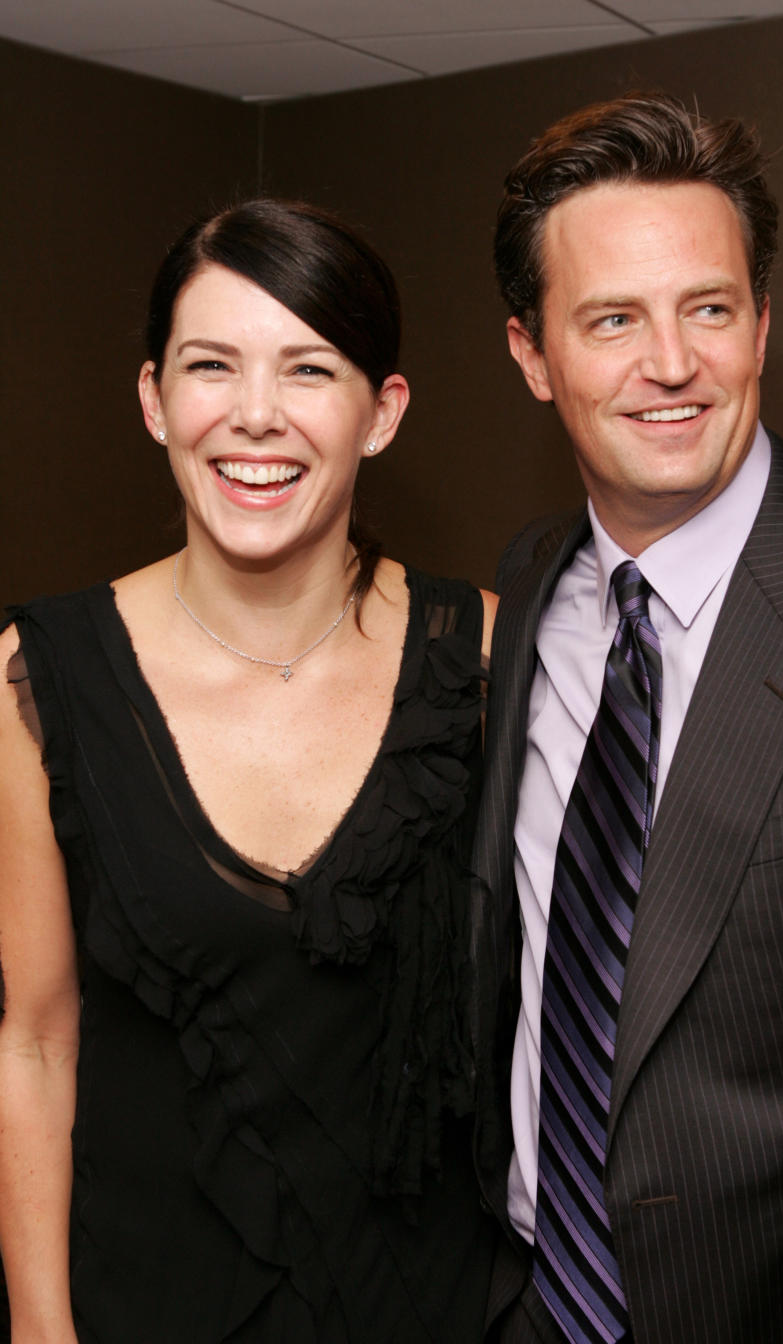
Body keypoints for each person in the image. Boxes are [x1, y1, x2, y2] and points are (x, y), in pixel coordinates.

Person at [472, 91, 783, 1343]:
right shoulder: (530, 589)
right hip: (527, 1301)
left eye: (709, 308)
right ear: (533, 355)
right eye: (613, 320)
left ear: (758, 326)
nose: (672, 364)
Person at [0, 198, 497, 1343]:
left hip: (426, 1306)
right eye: (211, 365)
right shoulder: (44, 677)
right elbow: (34, 1038)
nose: (256, 417)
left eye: (311, 370)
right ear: (153, 399)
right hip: (143, 1298)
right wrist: (39, 1327)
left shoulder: (480, 657)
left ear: (383, 413)